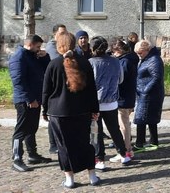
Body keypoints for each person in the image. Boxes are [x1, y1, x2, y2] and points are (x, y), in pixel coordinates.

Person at [42, 32, 101, 188]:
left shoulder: (53, 64)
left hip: (58, 112)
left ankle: (70, 179)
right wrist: (95, 109)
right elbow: (91, 89)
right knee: (85, 144)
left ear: (59, 45)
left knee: (64, 146)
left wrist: (44, 110)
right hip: (82, 110)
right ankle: (92, 176)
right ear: (74, 44)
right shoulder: (84, 62)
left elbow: (46, 91)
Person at [9, 34, 52, 172]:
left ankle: (33, 155)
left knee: (32, 128)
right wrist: (29, 99)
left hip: (35, 99)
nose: (39, 49)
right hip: (24, 101)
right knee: (21, 130)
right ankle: (17, 159)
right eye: (38, 46)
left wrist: (45, 57)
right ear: (30, 44)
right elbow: (18, 81)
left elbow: (45, 70)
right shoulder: (19, 57)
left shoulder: (32, 56)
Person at [88, 37, 130, 169]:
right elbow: (121, 80)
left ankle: (99, 159)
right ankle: (124, 154)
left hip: (96, 102)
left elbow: (89, 84)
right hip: (112, 101)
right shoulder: (116, 61)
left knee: (96, 132)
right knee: (114, 130)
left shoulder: (91, 62)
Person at [133, 40, 165, 152]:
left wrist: (144, 90)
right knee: (150, 118)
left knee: (141, 118)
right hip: (146, 93)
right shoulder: (147, 59)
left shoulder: (154, 60)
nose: (139, 55)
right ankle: (153, 141)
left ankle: (139, 143)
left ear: (147, 50)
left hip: (149, 94)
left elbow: (156, 77)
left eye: (140, 53)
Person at [112, 39, 138, 160]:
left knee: (123, 126)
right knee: (125, 124)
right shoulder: (130, 59)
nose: (113, 54)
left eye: (114, 52)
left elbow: (120, 81)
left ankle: (126, 150)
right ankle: (127, 149)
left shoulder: (124, 62)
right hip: (128, 96)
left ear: (119, 50)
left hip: (123, 97)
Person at [44, 24, 66, 154]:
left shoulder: (62, 46)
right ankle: (53, 144)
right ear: (55, 34)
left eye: (65, 33)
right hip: (53, 84)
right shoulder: (52, 46)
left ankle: (60, 141)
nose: (64, 35)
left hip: (61, 83)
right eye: (61, 33)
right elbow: (59, 60)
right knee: (53, 116)